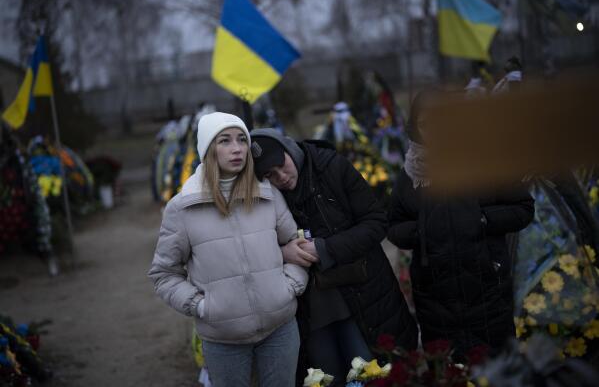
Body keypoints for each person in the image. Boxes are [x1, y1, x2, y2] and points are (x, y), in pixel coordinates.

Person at [148, 112, 308, 387]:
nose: (237, 149)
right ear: (208, 150)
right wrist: (201, 305)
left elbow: (295, 242)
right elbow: (164, 274)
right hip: (223, 339)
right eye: (224, 141)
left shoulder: (268, 193)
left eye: (241, 140)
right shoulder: (182, 208)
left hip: (280, 329)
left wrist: (290, 286)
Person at [250, 128, 418, 386]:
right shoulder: (261, 197)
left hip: (361, 297)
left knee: (367, 373)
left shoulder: (331, 167)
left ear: (289, 148)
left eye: (281, 165)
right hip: (310, 312)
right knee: (325, 379)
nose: (281, 177)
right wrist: (284, 253)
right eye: (270, 175)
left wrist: (325, 249)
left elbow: (375, 222)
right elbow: (251, 249)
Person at [387, 91, 535, 358]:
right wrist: (422, 231)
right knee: (449, 371)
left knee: (496, 367)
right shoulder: (410, 173)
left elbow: (522, 209)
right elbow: (394, 225)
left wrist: (482, 219)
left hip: (486, 288)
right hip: (435, 297)